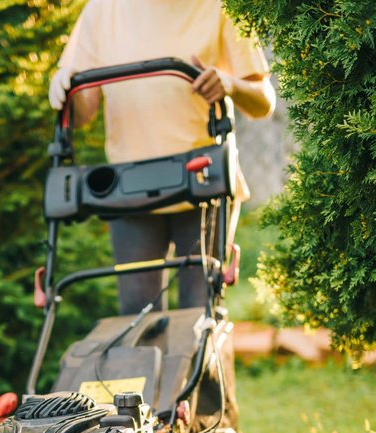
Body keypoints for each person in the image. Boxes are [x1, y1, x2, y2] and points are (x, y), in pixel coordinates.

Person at [49, 0, 275, 315]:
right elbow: (83, 111)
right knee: (138, 317)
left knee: (200, 315)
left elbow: (263, 101)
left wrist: (229, 84)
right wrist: (65, 89)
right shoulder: (104, 9)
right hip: (129, 187)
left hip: (203, 183)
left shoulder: (221, 6)